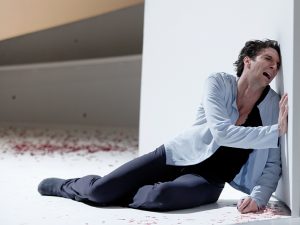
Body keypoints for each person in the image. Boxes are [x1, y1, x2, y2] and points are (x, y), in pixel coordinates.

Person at [38, 39, 288, 214]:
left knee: (161, 197)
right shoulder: (218, 83)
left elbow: (272, 162)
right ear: (248, 61)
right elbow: (221, 133)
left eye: (276, 65)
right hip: (173, 155)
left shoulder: (273, 106)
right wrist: (276, 130)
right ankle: (68, 186)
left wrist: (258, 198)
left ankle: (115, 191)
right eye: (268, 59)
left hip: (208, 180)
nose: (273, 67)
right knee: (100, 192)